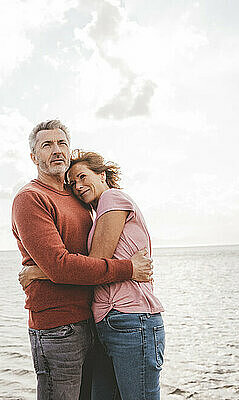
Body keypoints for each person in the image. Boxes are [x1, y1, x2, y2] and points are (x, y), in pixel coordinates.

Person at [11, 120, 154, 400]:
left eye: (62, 143)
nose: (56, 150)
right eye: (47, 145)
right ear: (34, 157)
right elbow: (61, 266)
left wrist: (41, 271)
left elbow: (84, 259)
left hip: (93, 322)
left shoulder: (79, 199)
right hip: (57, 327)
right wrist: (128, 269)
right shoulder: (30, 198)